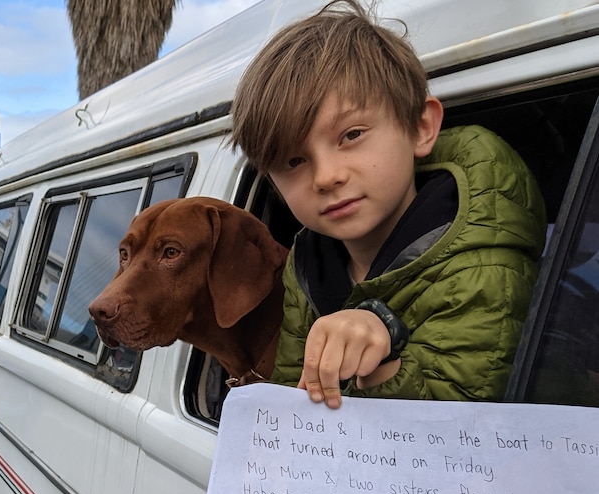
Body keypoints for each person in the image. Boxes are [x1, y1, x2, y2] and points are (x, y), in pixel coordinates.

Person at [230, 0, 546, 408]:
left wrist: (382, 362)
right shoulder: (305, 264)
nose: (326, 177)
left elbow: (466, 425)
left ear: (420, 128)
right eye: (294, 161)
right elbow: (295, 389)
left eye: (352, 134)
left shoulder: (483, 263)